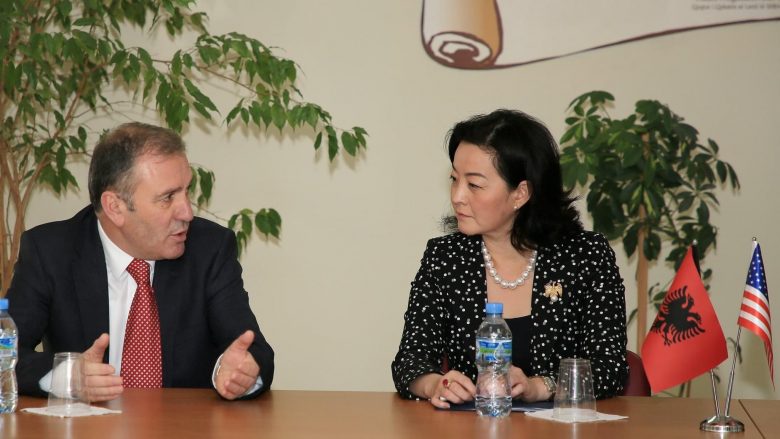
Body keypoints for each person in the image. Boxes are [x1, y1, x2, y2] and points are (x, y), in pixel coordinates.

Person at [7, 122, 274, 401]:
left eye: (187, 191)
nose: (187, 212)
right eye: (168, 197)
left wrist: (243, 373)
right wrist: (69, 376)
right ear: (115, 207)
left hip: (184, 422)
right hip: (89, 423)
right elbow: (5, 353)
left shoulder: (209, 249)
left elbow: (251, 350)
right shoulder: (51, 252)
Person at [391, 109, 627, 408]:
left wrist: (539, 386)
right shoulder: (446, 258)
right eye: (454, 179)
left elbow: (610, 367)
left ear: (520, 194)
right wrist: (436, 384)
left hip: (561, 427)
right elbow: (410, 361)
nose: (457, 196)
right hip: (472, 426)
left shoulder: (585, 257)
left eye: (474, 185)